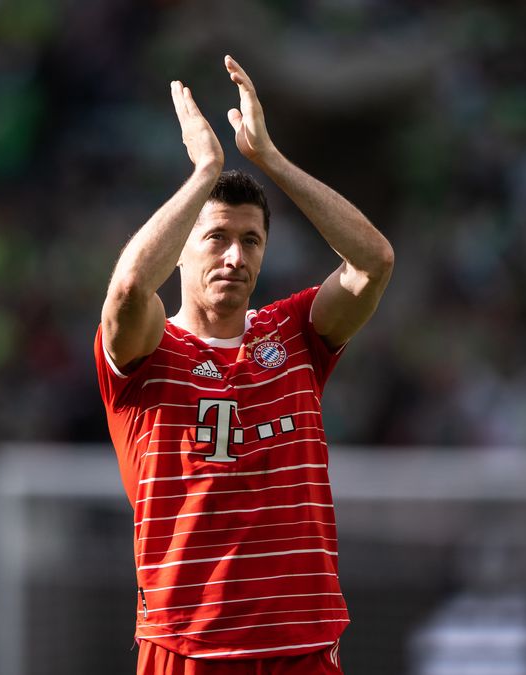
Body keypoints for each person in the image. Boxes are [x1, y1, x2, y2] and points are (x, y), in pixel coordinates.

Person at [94, 54, 393, 674]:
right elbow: (126, 293)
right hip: (190, 648)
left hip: (302, 647)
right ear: (181, 250)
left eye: (251, 241)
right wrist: (206, 171)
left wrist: (270, 160)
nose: (234, 257)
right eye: (216, 237)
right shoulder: (150, 352)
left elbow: (373, 262)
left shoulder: (294, 334)